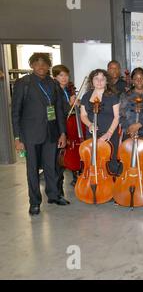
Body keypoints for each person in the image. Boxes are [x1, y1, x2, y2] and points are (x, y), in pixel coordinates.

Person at [12, 53, 69, 215]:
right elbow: (15, 112)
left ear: (49, 66)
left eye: (44, 63)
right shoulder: (24, 83)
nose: (41, 66)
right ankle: (34, 202)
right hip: (30, 135)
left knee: (51, 167)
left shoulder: (53, 84)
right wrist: (17, 137)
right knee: (32, 170)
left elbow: (58, 110)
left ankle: (54, 195)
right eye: (37, 63)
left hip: (51, 133)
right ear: (31, 65)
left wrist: (62, 133)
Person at [80, 69, 121, 175]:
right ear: (91, 81)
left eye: (102, 79)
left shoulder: (112, 96)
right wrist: (89, 124)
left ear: (106, 81)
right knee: (93, 162)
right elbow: (83, 115)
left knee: (110, 163)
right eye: (96, 79)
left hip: (109, 134)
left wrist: (109, 133)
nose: (99, 81)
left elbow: (117, 117)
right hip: (92, 134)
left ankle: (110, 188)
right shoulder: (86, 96)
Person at [118, 67, 143, 175]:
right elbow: (121, 115)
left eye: (142, 78)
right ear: (132, 81)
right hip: (128, 132)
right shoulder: (125, 96)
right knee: (127, 160)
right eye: (136, 78)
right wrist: (129, 128)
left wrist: (139, 124)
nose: (139, 80)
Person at [52, 64, 78, 196]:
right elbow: (58, 112)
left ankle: (61, 188)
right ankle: (57, 191)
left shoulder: (66, 91)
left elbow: (70, 112)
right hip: (57, 130)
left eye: (66, 75)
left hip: (67, 128)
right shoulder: (55, 91)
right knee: (57, 161)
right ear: (55, 77)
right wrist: (70, 105)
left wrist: (76, 106)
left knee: (61, 160)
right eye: (61, 75)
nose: (64, 78)